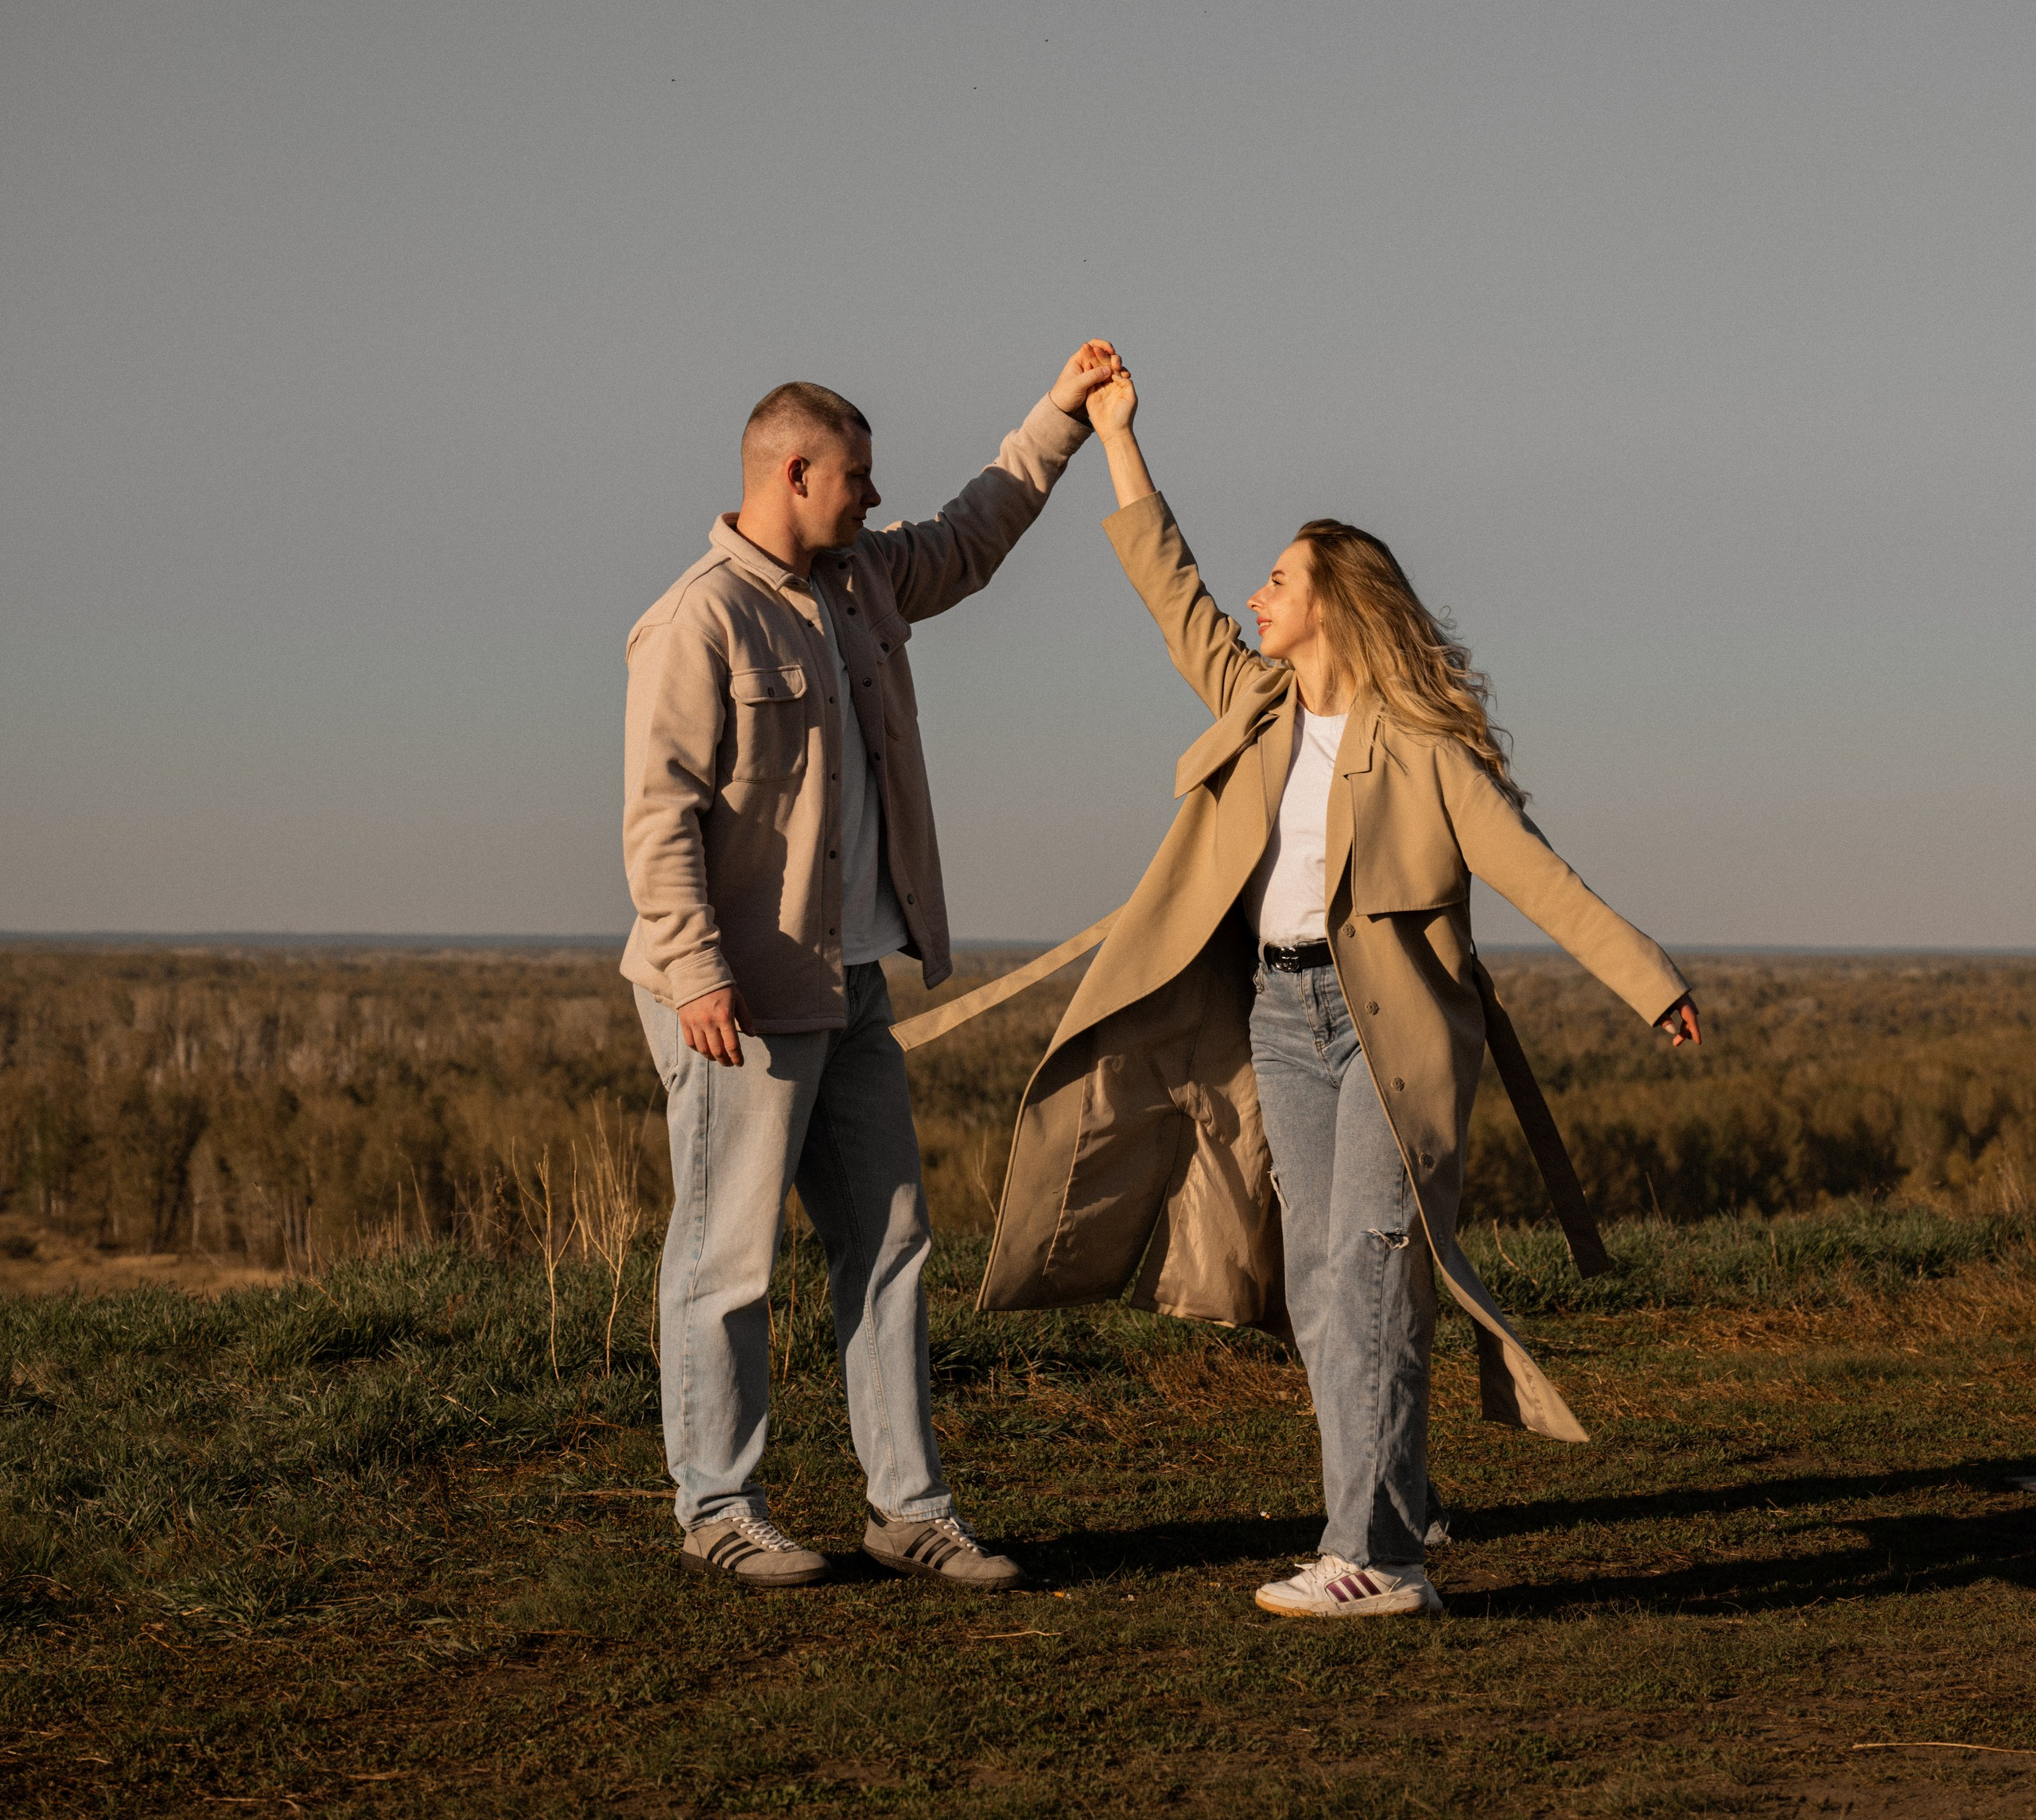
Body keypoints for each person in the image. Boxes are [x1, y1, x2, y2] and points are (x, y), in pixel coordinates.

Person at [978, 362, 1700, 1619]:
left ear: (1332, 607)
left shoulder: (1422, 751)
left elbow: (1538, 875)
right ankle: (1402, 1502)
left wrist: (1651, 981)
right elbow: (1170, 584)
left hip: (1393, 1038)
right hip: (1280, 1014)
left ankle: (1371, 1555)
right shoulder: (1256, 706)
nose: (1256, 597)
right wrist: (1116, 439)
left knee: (1367, 1264)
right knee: (1323, 1272)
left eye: (1280, 581)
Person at [622, 344, 1122, 1590]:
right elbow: (659, 813)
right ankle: (719, 1507)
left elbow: (973, 531)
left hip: (849, 984)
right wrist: (693, 974)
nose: (870, 495)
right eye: (854, 476)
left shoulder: (864, 584)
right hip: (736, 997)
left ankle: (908, 1509)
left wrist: (1059, 417)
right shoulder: (700, 617)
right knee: (727, 1259)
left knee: (892, 1240)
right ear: (793, 473)